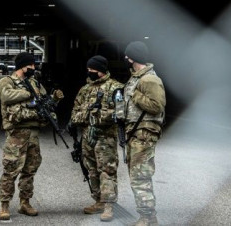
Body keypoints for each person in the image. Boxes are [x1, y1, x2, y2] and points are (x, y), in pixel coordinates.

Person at [0, 52, 64, 220]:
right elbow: (4, 96)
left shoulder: (35, 83)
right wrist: (29, 93)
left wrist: (54, 100)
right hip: (16, 133)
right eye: (30, 65)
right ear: (22, 66)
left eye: (34, 65)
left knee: (30, 170)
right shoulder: (7, 82)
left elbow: (44, 104)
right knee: (11, 169)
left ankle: (25, 203)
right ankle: (4, 205)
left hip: (33, 133)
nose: (34, 68)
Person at [70, 55, 124, 222]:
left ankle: (109, 206)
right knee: (91, 169)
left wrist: (97, 117)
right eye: (88, 69)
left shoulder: (116, 88)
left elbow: (120, 114)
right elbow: (75, 114)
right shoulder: (85, 89)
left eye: (92, 69)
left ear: (101, 70)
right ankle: (98, 201)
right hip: (87, 137)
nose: (89, 72)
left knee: (106, 171)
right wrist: (87, 116)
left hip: (105, 138)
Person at [122, 41, 166, 226]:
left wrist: (135, 94)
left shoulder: (149, 79)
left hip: (144, 134)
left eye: (128, 55)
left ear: (133, 57)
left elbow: (157, 106)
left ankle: (148, 217)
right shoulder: (137, 78)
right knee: (136, 176)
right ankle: (148, 216)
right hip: (136, 133)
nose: (125, 58)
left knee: (140, 177)